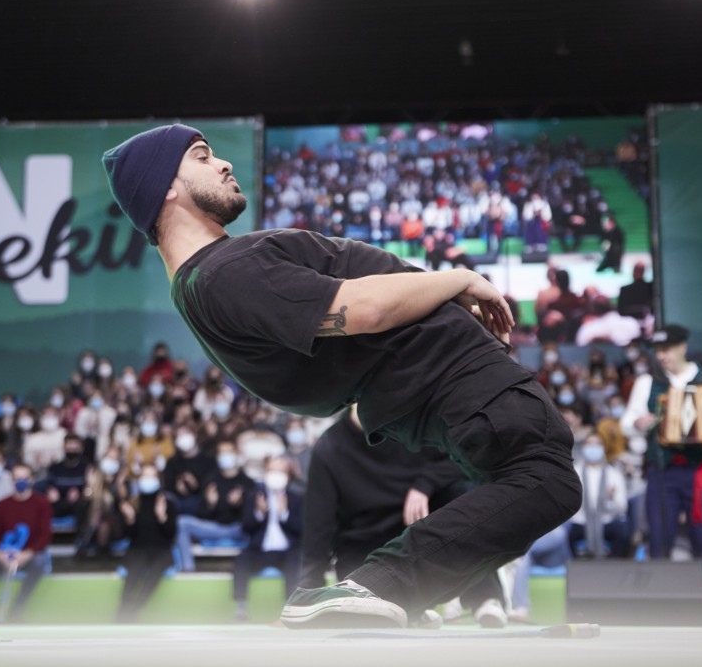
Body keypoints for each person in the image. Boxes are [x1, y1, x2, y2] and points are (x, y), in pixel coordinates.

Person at [103, 124, 580, 628]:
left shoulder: (203, 284)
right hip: (446, 369)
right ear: (165, 187)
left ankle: (395, 594)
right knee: (546, 478)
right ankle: (379, 587)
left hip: (424, 381)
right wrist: (458, 278)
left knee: (517, 487)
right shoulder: (226, 272)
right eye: (201, 157)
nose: (223, 163)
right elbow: (363, 310)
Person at [299, 407, 508, 628]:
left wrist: (425, 484)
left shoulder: (413, 428)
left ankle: (485, 597)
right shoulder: (330, 447)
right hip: (364, 547)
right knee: (367, 621)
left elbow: (464, 456)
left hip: (415, 535)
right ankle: (412, 611)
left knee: (461, 493)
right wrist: (309, 588)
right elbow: (319, 525)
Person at [621, 324, 702, 590]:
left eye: (666, 349)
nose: (661, 355)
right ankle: (661, 600)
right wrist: (638, 423)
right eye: (658, 350)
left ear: (683, 348)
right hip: (662, 470)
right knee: (660, 536)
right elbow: (626, 423)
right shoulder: (647, 382)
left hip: (701, 470)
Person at [0, 463, 53, 622]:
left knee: (40, 562)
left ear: (31, 480)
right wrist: (0, 554)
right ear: (11, 480)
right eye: (17, 478)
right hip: (3, 554)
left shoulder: (42, 503)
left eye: (25, 478)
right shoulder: (0, 506)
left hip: (29, 554)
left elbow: (45, 535)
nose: (21, 481)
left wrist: (26, 554)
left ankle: (17, 609)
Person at [233, 455, 304, 622]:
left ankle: (289, 608)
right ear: (265, 473)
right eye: (272, 470)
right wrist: (259, 513)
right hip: (260, 551)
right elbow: (245, 528)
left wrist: (284, 514)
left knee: (296, 559)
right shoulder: (254, 497)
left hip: (287, 552)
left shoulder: (297, 498)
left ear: (288, 475)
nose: (276, 475)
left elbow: (302, 530)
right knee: (242, 559)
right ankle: (241, 608)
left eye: (281, 471)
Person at [174, 439, 254, 572]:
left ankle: (252, 568)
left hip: (238, 529)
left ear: (236, 454)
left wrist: (239, 505)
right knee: (182, 522)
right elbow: (201, 513)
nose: (225, 456)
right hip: (214, 528)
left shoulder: (248, 482)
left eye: (228, 452)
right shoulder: (210, 479)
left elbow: (253, 519)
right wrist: (211, 504)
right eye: (222, 453)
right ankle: (187, 569)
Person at [116, 463, 177, 622]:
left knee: (154, 573)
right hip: (138, 549)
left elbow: (171, 534)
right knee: (133, 572)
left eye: (152, 476)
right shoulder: (133, 503)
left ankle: (135, 609)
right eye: (145, 476)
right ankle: (122, 612)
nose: (148, 479)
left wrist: (162, 517)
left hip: (161, 551)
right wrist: (130, 519)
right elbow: (127, 535)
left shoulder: (167, 503)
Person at [569, 433, 630, 558]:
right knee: (564, 532)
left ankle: (612, 563)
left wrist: (611, 499)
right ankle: (574, 563)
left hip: (606, 520)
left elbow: (622, 508)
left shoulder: (614, 474)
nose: (593, 448)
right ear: (583, 447)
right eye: (590, 444)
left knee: (623, 530)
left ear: (604, 448)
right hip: (580, 521)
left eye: (597, 444)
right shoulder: (574, 472)